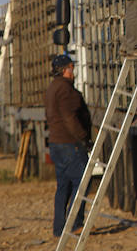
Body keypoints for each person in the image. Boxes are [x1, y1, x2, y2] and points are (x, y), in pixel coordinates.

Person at [45, 54, 91, 238]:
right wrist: (83, 137)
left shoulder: (52, 88)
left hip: (57, 143)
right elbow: (69, 118)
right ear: (64, 70)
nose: (73, 71)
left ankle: (59, 228)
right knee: (82, 182)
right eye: (71, 67)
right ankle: (75, 224)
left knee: (63, 187)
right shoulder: (65, 90)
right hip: (69, 144)